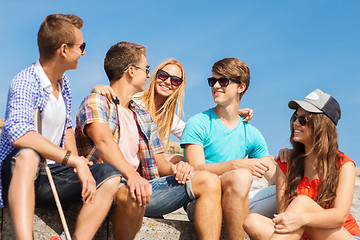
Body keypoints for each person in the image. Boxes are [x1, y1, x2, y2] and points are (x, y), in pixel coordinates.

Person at [75, 41, 222, 240]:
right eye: (147, 69)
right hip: (107, 185)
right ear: (131, 71)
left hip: (142, 187)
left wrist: (178, 168)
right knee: (132, 193)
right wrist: (133, 176)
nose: (148, 74)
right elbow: (104, 143)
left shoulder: (143, 115)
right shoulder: (97, 101)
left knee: (209, 180)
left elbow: (159, 161)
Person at [0, 14, 122, 240]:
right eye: (81, 46)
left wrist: (80, 165)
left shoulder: (63, 83)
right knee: (27, 155)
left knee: (110, 175)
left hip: (53, 174)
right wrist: (72, 159)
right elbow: (17, 132)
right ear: (64, 49)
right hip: (20, 174)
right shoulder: (27, 80)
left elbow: (67, 130)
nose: (84, 52)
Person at [180, 57, 277, 240]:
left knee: (292, 192)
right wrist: (235, 165)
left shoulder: (252, 133)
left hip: (239, 199)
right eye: (212, 81)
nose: (216, 86)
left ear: (241, 87)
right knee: (241, 175)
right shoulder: (198, 123)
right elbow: (196, 168)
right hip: (204, 201)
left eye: (223, 81)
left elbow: (274, 178)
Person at [244, 89, 360, 240]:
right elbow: (285, 214)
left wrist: (303, 219)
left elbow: (339, 216)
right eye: (295, 118)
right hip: (298, 235)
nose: (296, 124)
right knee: (252, 221)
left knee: (302, 202)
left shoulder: (344, 164)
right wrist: (298, 221)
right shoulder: (286, 162)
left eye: (303, 120)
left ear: (322, 125)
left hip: (341, 235)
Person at [91, 59, 253, 163]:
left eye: (175, 80)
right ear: (155, 76)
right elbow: (115, 98)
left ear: (179, 86)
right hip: (117, 161)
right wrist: (97, 88)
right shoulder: (136, 100)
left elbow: (196, 133)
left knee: (180, 159)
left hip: (145, 165)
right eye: (163, 76)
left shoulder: (169, 118)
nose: (168, 82)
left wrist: (231, 114)